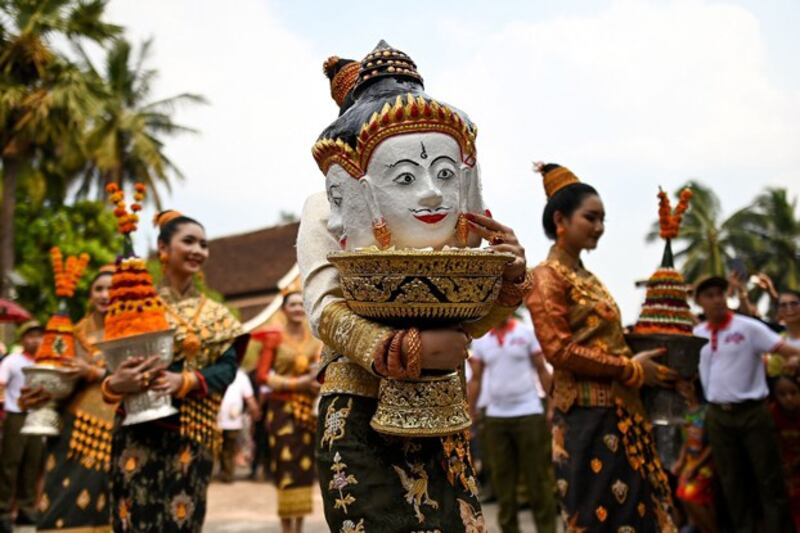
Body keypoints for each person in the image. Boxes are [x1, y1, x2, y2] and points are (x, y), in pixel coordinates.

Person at [300, 41, 529, 532]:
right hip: (361, 403)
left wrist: (507, 280)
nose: (429, 189)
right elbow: (323, 308)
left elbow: (463, 324)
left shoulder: (445, 213)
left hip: (442, 408)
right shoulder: (323, 208)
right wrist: (409, 346)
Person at [526, 163, 678, 531]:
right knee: (596, 513)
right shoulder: (546, 277)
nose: (599, 227)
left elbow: (600, 339)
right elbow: (559, 351)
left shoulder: (588, 278)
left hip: (622, 411)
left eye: (603, 219)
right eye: (590, 218)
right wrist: (631, 368)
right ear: (561, 219)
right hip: (586, 416)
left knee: (634, 512)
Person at [102, 211, 246, 532]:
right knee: (131, 520)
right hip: (136, 430)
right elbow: (108, 370)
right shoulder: (134, 302)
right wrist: (115, 384)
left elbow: (227, 368)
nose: (198, 250)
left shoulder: (217, 314)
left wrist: (185, 380)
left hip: (191, 434)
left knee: (182, 523)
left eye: (204, 245)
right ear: (163, 248)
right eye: (189, 241)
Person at [693, 275, 800, 531]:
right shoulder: (697, 334)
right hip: (718, 415)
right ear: (699, 302)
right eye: (710, 295)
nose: (717, 299)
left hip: (753, 412)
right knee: (732, 483)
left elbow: (789, 351)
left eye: (720, 293)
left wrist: (795, 360)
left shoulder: (748, 327)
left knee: (769, 479)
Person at [21, 266, 117, 532]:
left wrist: (95, 372)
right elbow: (50, 376)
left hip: (118, 428)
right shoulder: (70, 335)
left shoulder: (130, 334)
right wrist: (34, 397)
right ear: (89, 295)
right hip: (73, 429)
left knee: (112, 504)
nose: (105, 294)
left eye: (112, 289)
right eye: (99, 289)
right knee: (64, 498)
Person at [468, 316, 556, 533]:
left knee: (539, 480)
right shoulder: (482, 340)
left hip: (529, 413)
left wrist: (552, 405)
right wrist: (470, 412)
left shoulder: (525, 333)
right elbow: (476, 379)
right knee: (503, 483)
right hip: (496, 417)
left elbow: (542, 370)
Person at [254, 290, 322, 533]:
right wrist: (296, 384)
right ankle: (286, 529)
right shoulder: (275, 338)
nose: (296, 308)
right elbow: (262, 375)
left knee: (304, 469)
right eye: (292, 304)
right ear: (283, 310)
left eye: (300, 304)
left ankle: (299, 528)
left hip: (306, 411)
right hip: (281, 410)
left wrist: (315, 382)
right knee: (285, 468)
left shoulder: (315, 340)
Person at [0, 320, 45, 532]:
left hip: (38, 416)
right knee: (10, 464)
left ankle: (27, 510)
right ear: (22, 339)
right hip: (16, 415)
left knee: (32, 463)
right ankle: (3, 511)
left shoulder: (45, 361)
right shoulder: (12, 360)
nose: (35, 340)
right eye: (30, 336)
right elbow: (1, 384)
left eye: (39, 335)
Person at [671, 380, 714, 533]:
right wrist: (680, 460)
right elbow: (686, 441)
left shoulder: (706, 411)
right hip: (690, 459)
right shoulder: (685, 413)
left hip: (706, 460)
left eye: (687, 386)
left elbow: (713, 444)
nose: (684, 390)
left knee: (692, 495)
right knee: (681, 494)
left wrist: (697, 465)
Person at [217, 367, 259, 483]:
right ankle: (225, 472)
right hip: (217, 418)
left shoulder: (241, 376)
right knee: (221, 448)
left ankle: (228, 474)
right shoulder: (219, 372)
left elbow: (249, 397)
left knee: (229, 448)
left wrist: (255, 410)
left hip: (233, 420)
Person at [769, 373, 800, 530]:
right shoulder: (773, 413)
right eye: (782, 394)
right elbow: (774, 444)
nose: (788, 398)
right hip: (786, 467)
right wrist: (784, 465)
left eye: (793, 393)